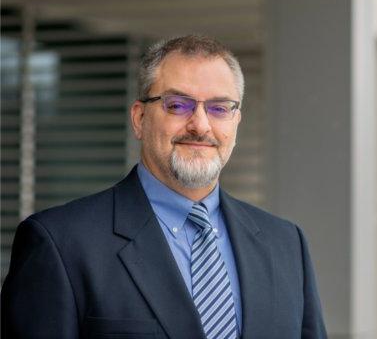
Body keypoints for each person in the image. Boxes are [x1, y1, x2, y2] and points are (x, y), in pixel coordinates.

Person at [2, 35, 327, 338]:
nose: (200, 125)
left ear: (236, 122)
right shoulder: (61, 243)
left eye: (219, 108)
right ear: (140, 118)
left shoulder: (286, 244)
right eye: (177, 105)